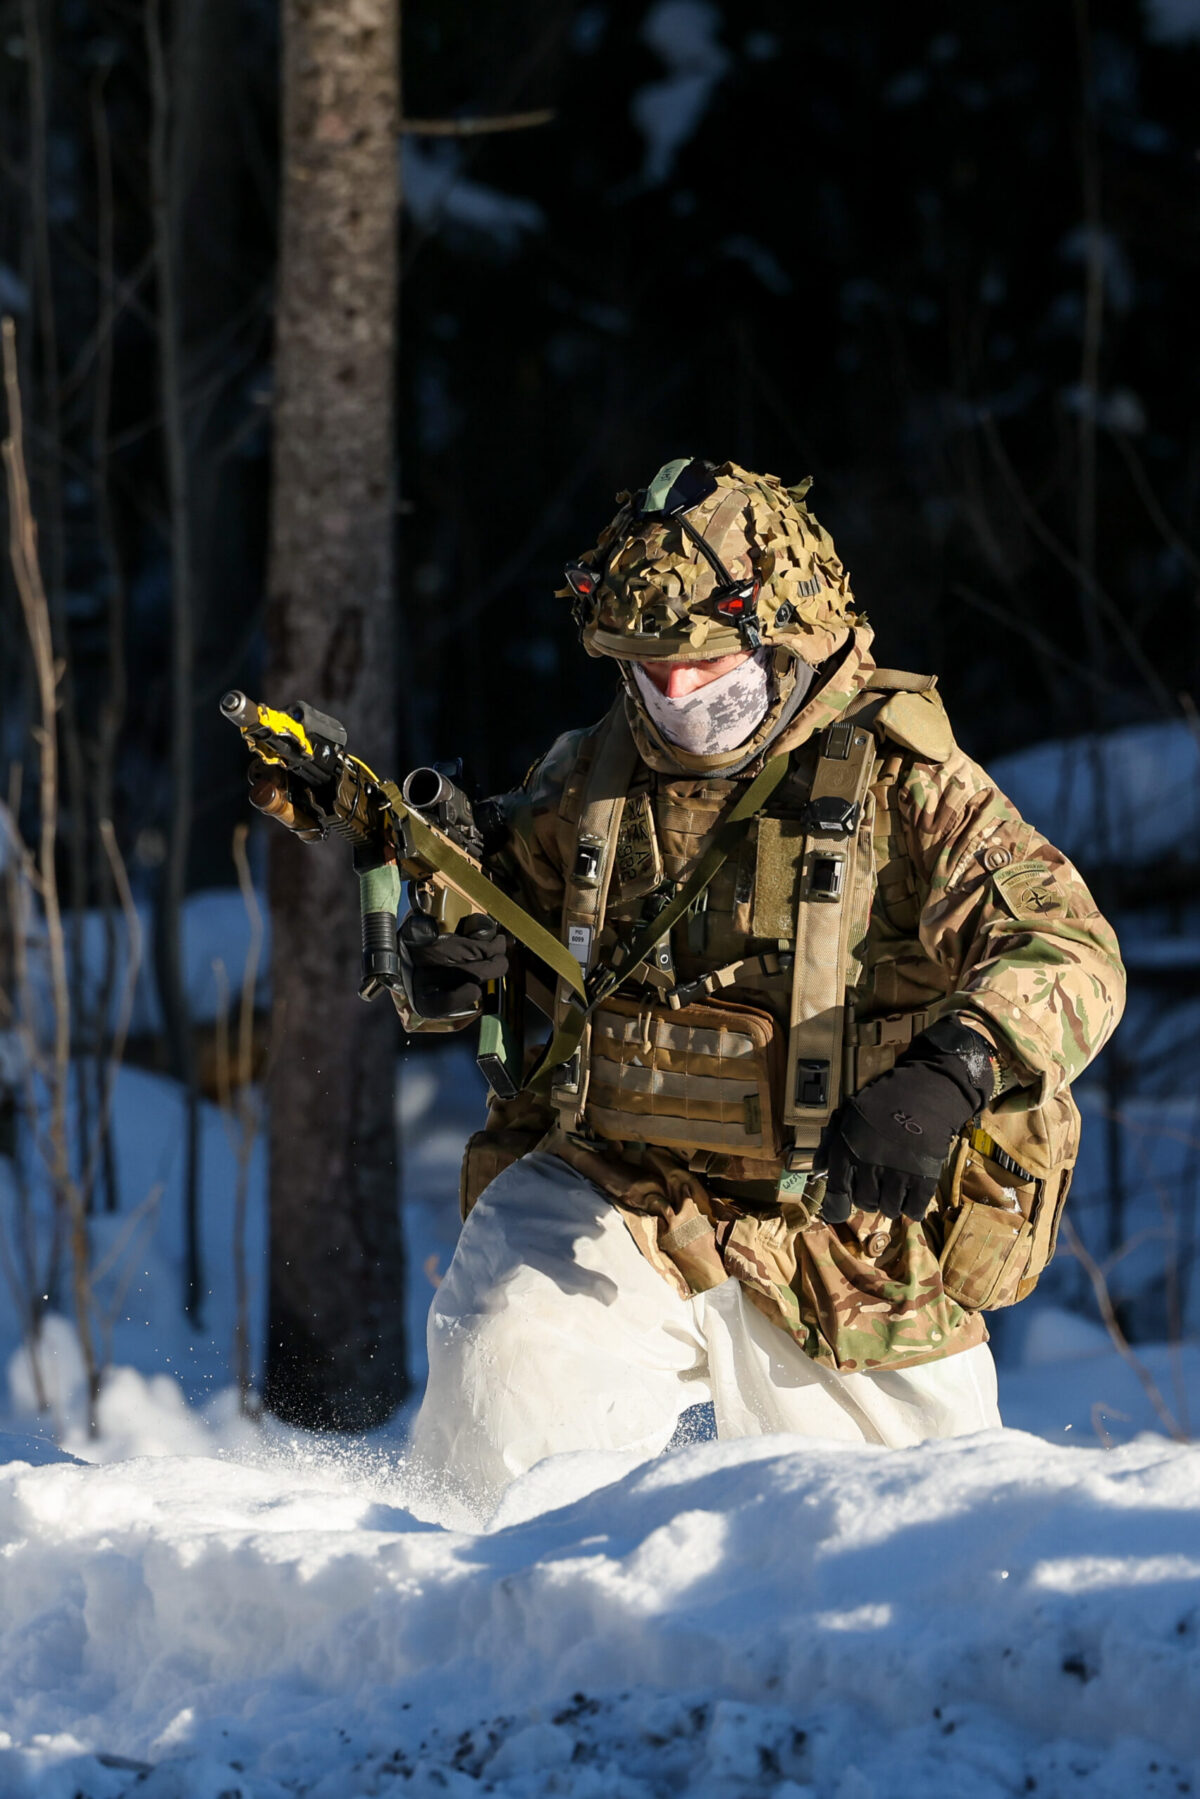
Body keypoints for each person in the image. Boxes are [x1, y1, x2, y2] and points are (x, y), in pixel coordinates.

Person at [399, 457, 1125, 1520]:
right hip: (624, 1188)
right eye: (652, 671)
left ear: (785, 632)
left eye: (705, 663)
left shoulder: (903, 778)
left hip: (838, 1225)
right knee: (496, 1395)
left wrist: (953, 1069)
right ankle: (484, 1642)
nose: (678, 698)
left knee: (923, 1545)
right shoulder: (593, 773)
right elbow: (498, 908)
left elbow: (1072, 947)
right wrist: (451, 957)